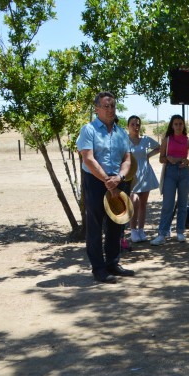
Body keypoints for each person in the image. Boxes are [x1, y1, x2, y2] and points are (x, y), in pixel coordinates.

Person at [76, 91, 134, 284]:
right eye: (106, 106)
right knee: (95, 225)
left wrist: (119, 178)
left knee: (117, 224)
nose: (110, 110)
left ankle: (112, 263)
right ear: (97, 109)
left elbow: (127, 159)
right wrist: (106, 180)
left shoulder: (121, 132)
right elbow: (88, 158)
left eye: (113, 106)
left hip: (118, 181)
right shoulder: (89, 130)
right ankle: (99, 269)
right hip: (95, 181)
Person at [150, 115, 189, 245]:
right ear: (172, 126)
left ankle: (180, 232)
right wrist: (168, 158)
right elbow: (161, 159)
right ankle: (162, 234)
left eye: (180, 124)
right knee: (167, 204)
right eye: (176, 124)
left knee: (183, 204)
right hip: (170, 172)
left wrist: (187, 161)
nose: (178, 126)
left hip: (184, 173)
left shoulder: (188, 141)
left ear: (183, 126)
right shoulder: (167, 140)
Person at [127, 115, 160, 243]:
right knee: (133, 202)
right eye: (133, 124)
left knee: (143, 204)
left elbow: (159, 147)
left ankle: (141, 230)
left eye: (138, 124)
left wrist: (149, 155)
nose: (136, 127)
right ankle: (133, 231)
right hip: (131, 174)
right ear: (128, 126)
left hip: (145, 173)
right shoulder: (125, 140)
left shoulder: (145, 139)